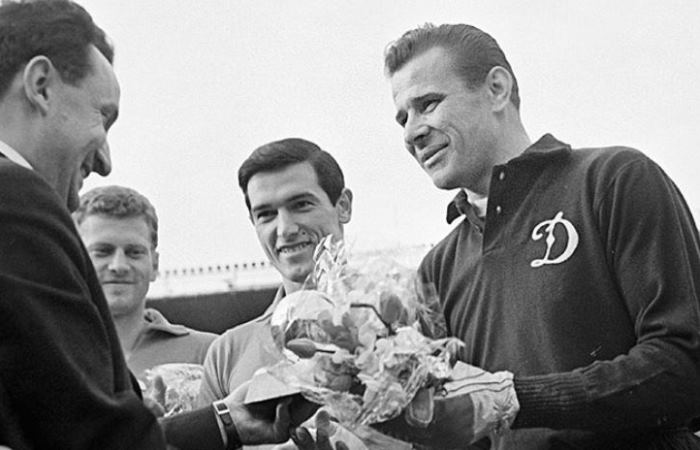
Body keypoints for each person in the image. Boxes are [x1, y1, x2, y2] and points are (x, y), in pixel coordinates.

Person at [374, 23, 700, 449]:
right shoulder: (437, 269)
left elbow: (686, 363)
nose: (411, 133)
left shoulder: (612, 181)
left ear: (497, 89)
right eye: (403, 118)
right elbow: (454, 426)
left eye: (428, 104)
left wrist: (515, 399)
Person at [0, 1, 306, 449]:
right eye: (103, 117)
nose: (106, 161)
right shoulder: (15, 198)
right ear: (41, 86)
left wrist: (225, 422)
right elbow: (89, 438)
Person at [198, 138, 353, 445]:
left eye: (301, 205)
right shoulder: (228, 352)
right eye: (266, 214)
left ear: (343, 206)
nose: (285, 229)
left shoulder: (402, 322)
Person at [73, 185, 217, 382]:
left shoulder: (210, 354)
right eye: (102, 252)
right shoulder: (46, 354)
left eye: (134, 252)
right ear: (74, 260)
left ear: (154, 264)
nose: (119, 266)